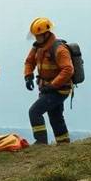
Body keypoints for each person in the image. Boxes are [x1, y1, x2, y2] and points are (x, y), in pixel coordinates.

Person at [24, 17, 74, 145]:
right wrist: (28, 75)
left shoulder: (59, 49)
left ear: (46, 34)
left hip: (59, 90)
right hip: (48, 89)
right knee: (56, 116)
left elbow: (68, 70)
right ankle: (64, 143)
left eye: (38, 36)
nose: (36, 38)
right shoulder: (38, 47)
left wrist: (52, 85)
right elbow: (29, 61)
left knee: (34, 112)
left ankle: (41, 142)